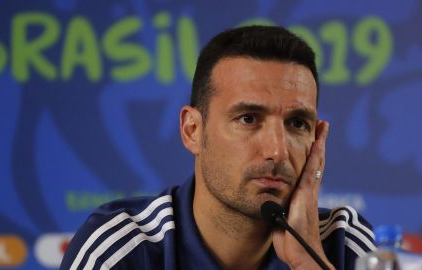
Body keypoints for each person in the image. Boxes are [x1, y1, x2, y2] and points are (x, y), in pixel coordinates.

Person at [60, 25, 375, 270]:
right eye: (248, 118)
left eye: (297, 124)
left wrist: (308, 263)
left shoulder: (343, 243)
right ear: (192, 130)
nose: (278, 151)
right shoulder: (121, 251)